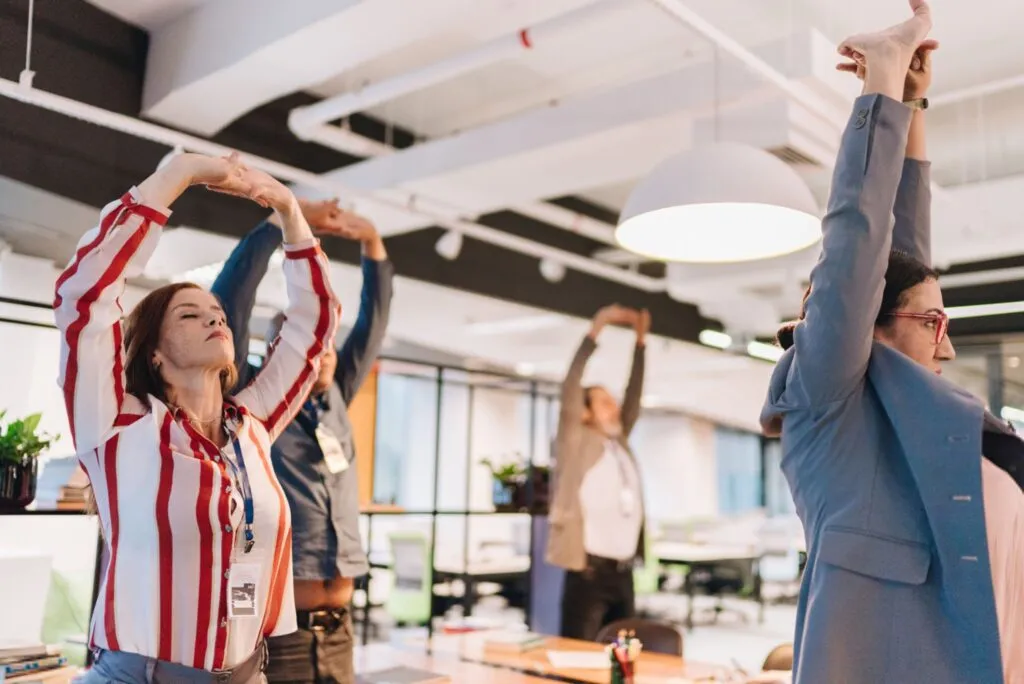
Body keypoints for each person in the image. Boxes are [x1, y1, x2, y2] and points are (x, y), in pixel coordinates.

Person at [763, 2, 1022, 681]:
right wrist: (877, 84)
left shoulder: (908, 417)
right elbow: (859, 249)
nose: (948, 347)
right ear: (864, 329)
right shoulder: (831, 410)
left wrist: (912, 101)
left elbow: (906, 259)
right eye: (933, 324)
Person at [57, 152, 340, 682]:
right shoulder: (116, 426)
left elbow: (313, 328)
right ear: (155, 353)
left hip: (249, 674)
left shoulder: (253, 427)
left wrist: (289, 210)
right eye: (189, 314)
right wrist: (175, 176)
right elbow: (85, 299)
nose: (214, 317)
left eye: (217, 313)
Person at [211, 199, 393, 683]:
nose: (325, 352)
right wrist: (280, 224)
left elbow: (372, 327)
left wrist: (373, 246)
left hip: (340, 632)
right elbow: (231, 303)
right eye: (311, 341)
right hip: (282, 631)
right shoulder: (255, 404)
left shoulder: (336, 396)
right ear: (280, 351)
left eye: (328, 342)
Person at [546, 304, 650, 641]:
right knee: (578, 664)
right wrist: (596, 329)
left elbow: (633, 397)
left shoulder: (619, 442)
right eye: (604, 402)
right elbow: (570, 385)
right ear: (586, 413)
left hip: (623, 573)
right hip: (589, 573)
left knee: (623, 663)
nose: (615, 407)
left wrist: (640, 344)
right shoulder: (576, 442)